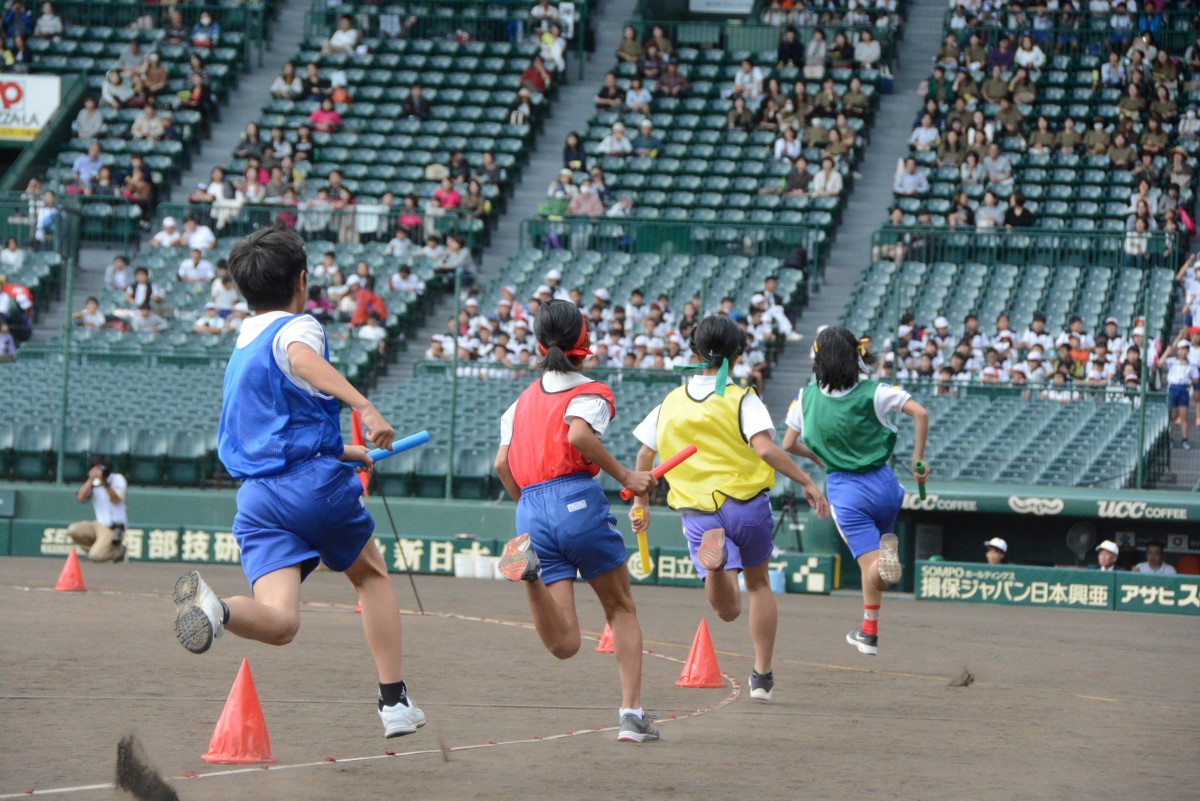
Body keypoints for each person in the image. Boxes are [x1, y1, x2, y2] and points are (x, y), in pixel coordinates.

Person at [169, 226, 425, 740]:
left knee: (280, 622)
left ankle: (215, 609)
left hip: (258, 497)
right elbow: (303, 361)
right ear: (301, 281)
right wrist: (364, 405)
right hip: (310, 487)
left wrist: (347, 450)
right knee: (371, 575)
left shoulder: (244, 337)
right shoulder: (298, 327)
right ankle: (394, 703)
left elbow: (277, 419)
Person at [630, 316, 828, 702]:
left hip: (698, 512)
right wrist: (806, 481)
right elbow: (768, 449)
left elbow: (644, 454)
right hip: (746, 505)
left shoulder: (670, 402)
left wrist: (641, 502)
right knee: (757, 585)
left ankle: (717, 564)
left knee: (727, 610)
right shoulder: (742, 398)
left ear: (693, 352)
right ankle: (762, 676)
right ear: (737, 357)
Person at [493, 299, 659, 743]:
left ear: (539, 341)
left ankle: (528, 575)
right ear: (583, 338)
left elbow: (502, 466)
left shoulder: (519, 403)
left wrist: (529, 508)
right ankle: (631, 715)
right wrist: (627, 476)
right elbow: (579, 434)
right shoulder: (592, 391)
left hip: (529, 508)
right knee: (620, 608)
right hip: (576, 501)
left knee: (564, 643)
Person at [782, 327, 929, 656]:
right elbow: (921, 412)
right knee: (873, 563)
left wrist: (817, 457)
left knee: (874, 568)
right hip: (886, 486)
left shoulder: (805, 398)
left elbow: (788, 444)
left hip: (846, 492)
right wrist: (918, 458)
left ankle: (883, 567)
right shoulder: (875, 392)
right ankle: (868, 632)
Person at [67, 455, 128, 563]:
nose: (100, 473)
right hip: (99, 525)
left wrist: (105, 484)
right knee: (73, 530)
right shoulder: (93, 482)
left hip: (114, 528)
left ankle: (119, 550)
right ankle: (101, 551)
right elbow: (80, 498)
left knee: (95, 556)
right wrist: (91, 480)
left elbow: (116, 500)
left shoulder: (117, 479)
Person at [1162, 337, 1198, 449]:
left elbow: (1196, 378)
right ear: (1178, 351)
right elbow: (1160, 363)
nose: (1183, 352)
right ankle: (1170, 439)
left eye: (1185, 349)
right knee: (1172, 415)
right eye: (1181, 349)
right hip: (1173, 388)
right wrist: (1168, 351)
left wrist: (1188, 382)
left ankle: (1185, 439)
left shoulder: (1191, 365)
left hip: (1183, 389)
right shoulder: (1172, 361)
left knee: (1184, 416)